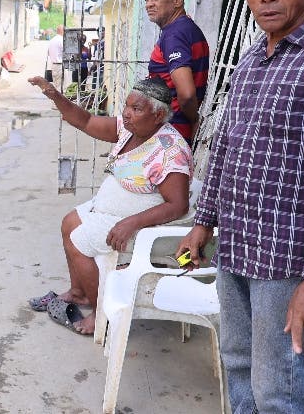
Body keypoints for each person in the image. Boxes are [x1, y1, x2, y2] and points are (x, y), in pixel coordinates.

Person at [177, 0, 304, 413]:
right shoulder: (253, 59)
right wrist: (203, 221)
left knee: (282, 393)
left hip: (291, 265)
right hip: (237, 248)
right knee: (237, 367)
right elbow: (228, 146)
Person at [27, 75, 193, 335]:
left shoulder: (170, 150)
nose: (126, 114)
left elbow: (178, 205)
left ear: (159, 114)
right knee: (69, 222)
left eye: (136, 109)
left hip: (141, 224)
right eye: (127, 106)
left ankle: (99, 313)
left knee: (80, 240)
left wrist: (131, 223)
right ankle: (80, 292)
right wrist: (55, 96)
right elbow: (87, 121)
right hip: (114, 211)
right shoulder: (129, 129)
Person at [145, 0, 210, 143]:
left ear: (178, 0)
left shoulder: (174, 35)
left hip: (172, 133)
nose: (149, 4)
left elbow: (187, 94)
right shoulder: (186, 28)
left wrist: (194, 120)